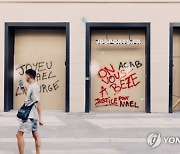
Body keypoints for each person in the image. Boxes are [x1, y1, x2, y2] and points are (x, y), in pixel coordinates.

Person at [16, 69, 43, 154]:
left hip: (29, 116)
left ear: (28, 76)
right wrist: (25, 91)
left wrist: (40, 118)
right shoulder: (32, 86)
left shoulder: (34, 87)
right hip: (32, 115)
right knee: (36, 135)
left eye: (25, 75)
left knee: (19, 135)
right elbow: (31, 99)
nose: (25, 77)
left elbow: (37, 101)